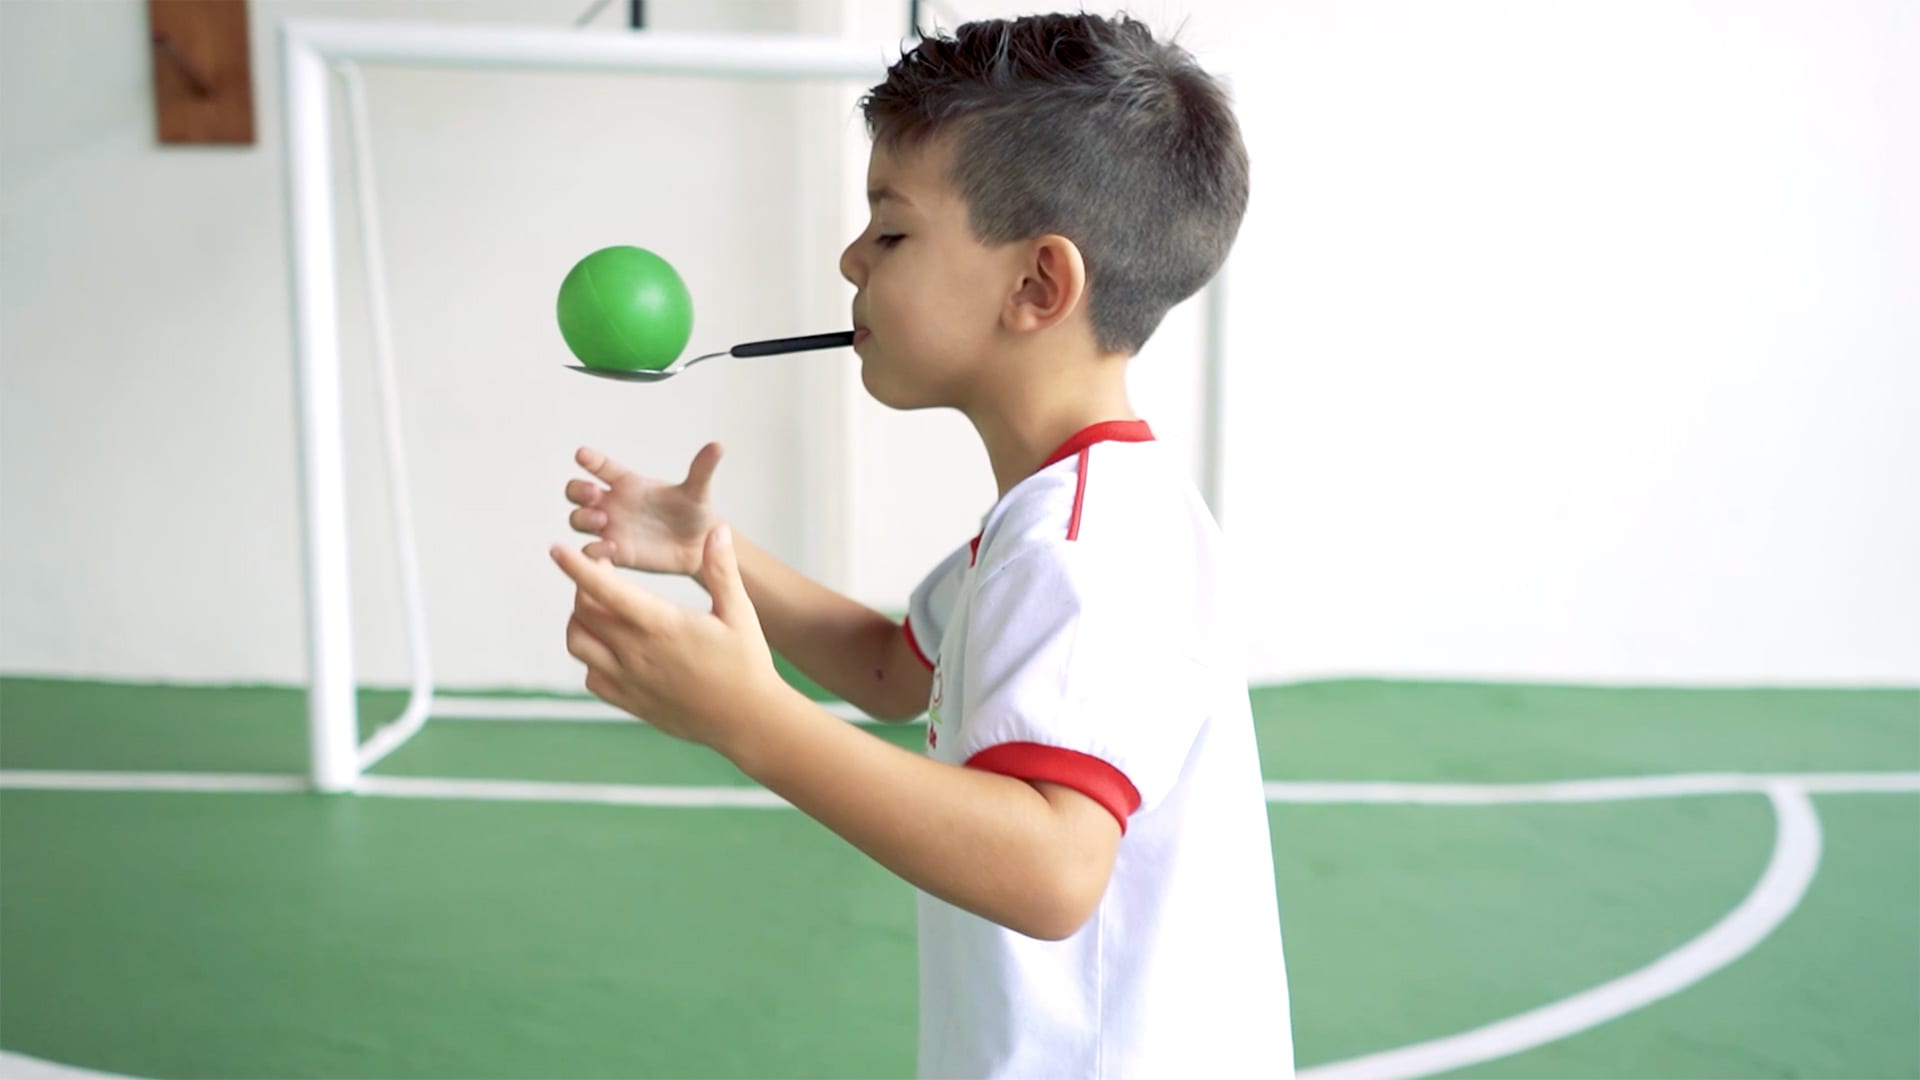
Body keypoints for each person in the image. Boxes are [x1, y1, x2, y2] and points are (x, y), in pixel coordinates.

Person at [552, 12, 1291, 1077]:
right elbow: (904, 670)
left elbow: (1051, 869)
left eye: (891, 231)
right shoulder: (1058, 511)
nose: (851, 257)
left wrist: (748, 720)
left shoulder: (1089, 549)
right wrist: (719, 548)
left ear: (1039, 286)